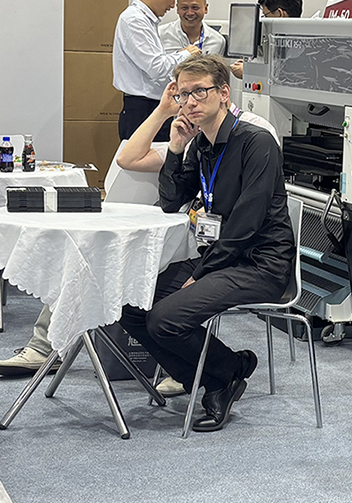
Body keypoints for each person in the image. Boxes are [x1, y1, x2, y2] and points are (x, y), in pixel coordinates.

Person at [119, 54, 294, 430]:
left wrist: (200, 274)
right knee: (130, 308)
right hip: (220, 256)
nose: (190, 102)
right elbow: (171, 202)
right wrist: (177, 148)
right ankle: (225, 370)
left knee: (164, 319)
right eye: (183, 94)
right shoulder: (201, 144)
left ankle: (219, 380)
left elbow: (246, 224)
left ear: (224, 93)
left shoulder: (256, 142)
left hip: (260, 262)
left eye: (200, 91)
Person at [111, 0, 184, 140]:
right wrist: (187, 54)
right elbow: (156, 68)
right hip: (142, 111)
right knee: (142, 158)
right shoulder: (134, 20)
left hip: (150, 107)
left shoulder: (146, 21)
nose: (173, 5)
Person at [162, 0, 226, 57]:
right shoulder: (160, 34)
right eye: (184, 8)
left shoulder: (218, 41)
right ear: (177, 9)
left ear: (205, 9)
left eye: (195, 8)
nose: (190, 13)